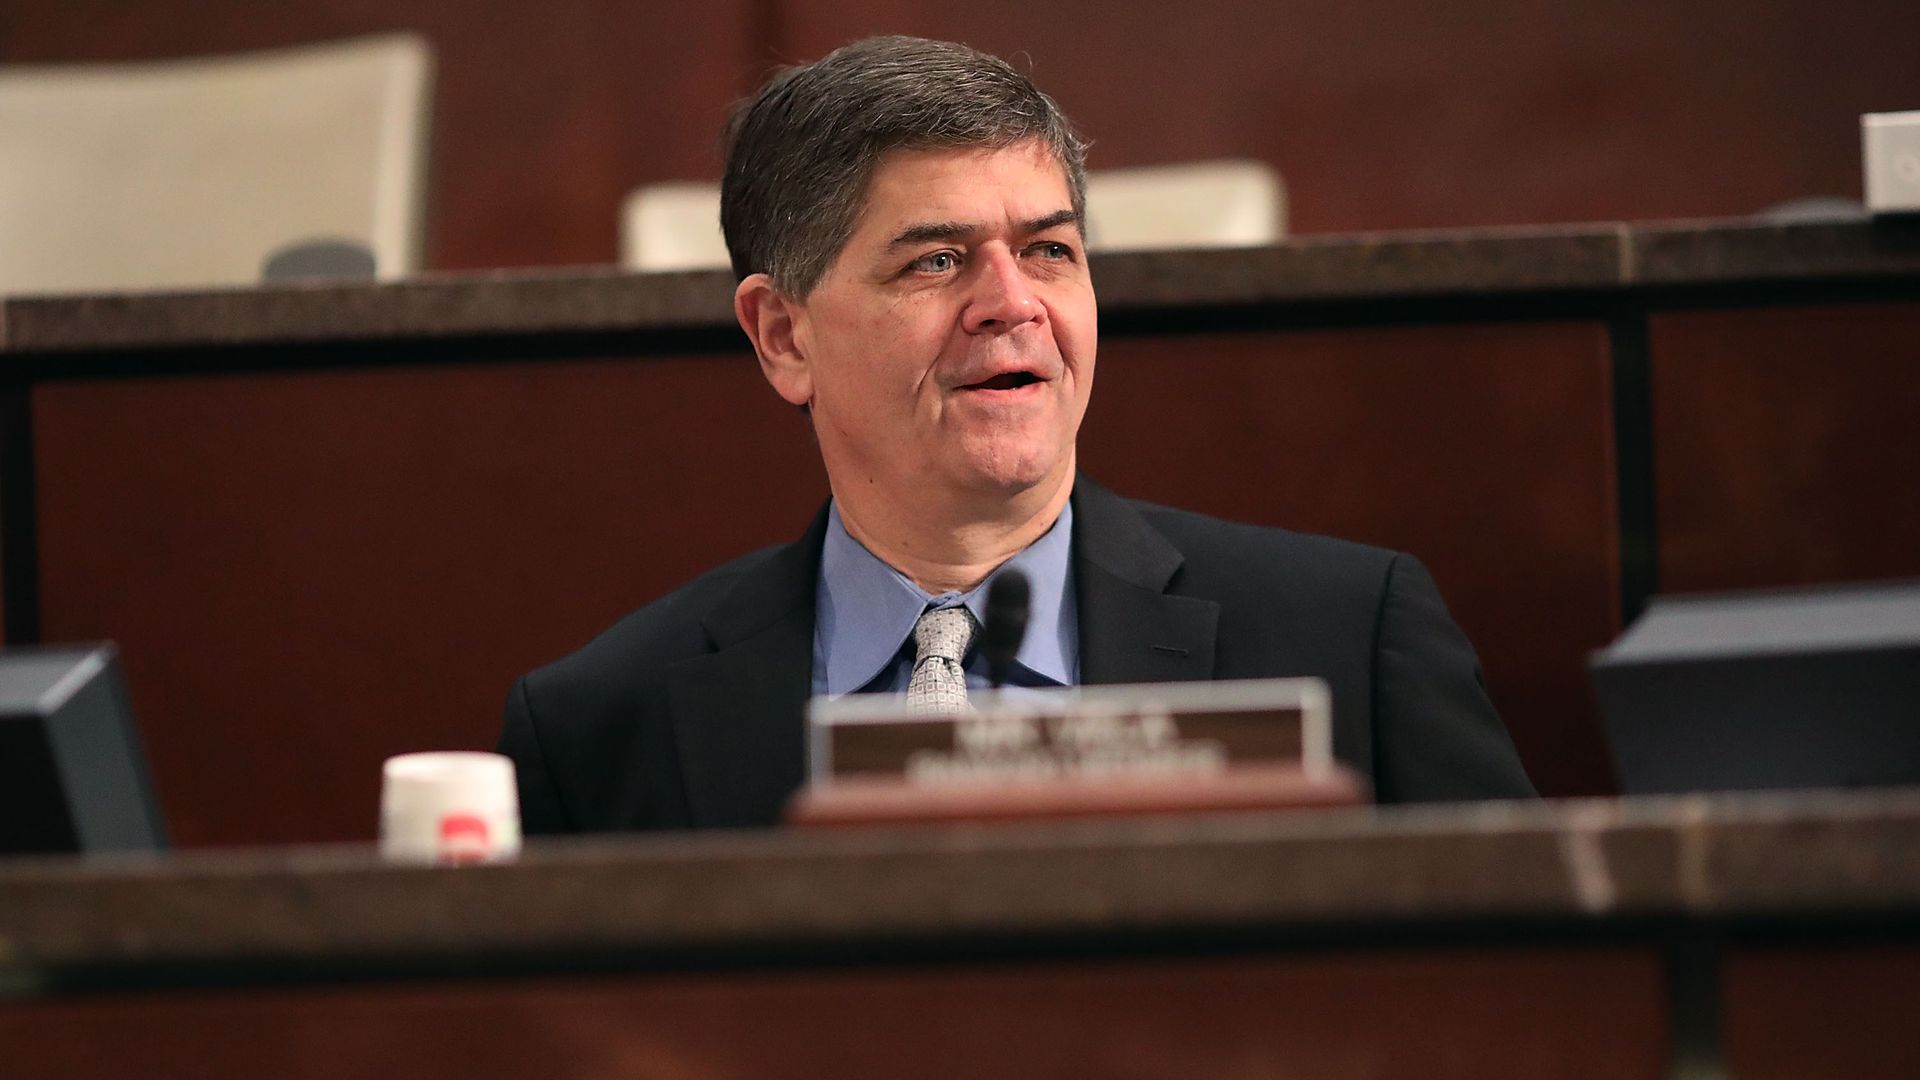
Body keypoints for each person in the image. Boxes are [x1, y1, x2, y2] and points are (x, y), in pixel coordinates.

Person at [499, 35, 1534, 832]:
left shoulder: (1348, 641)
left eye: (1048, 251)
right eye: (936, 262)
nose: (1013, 304)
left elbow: (1529, 1007)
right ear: (784, 335)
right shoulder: (600, 726)